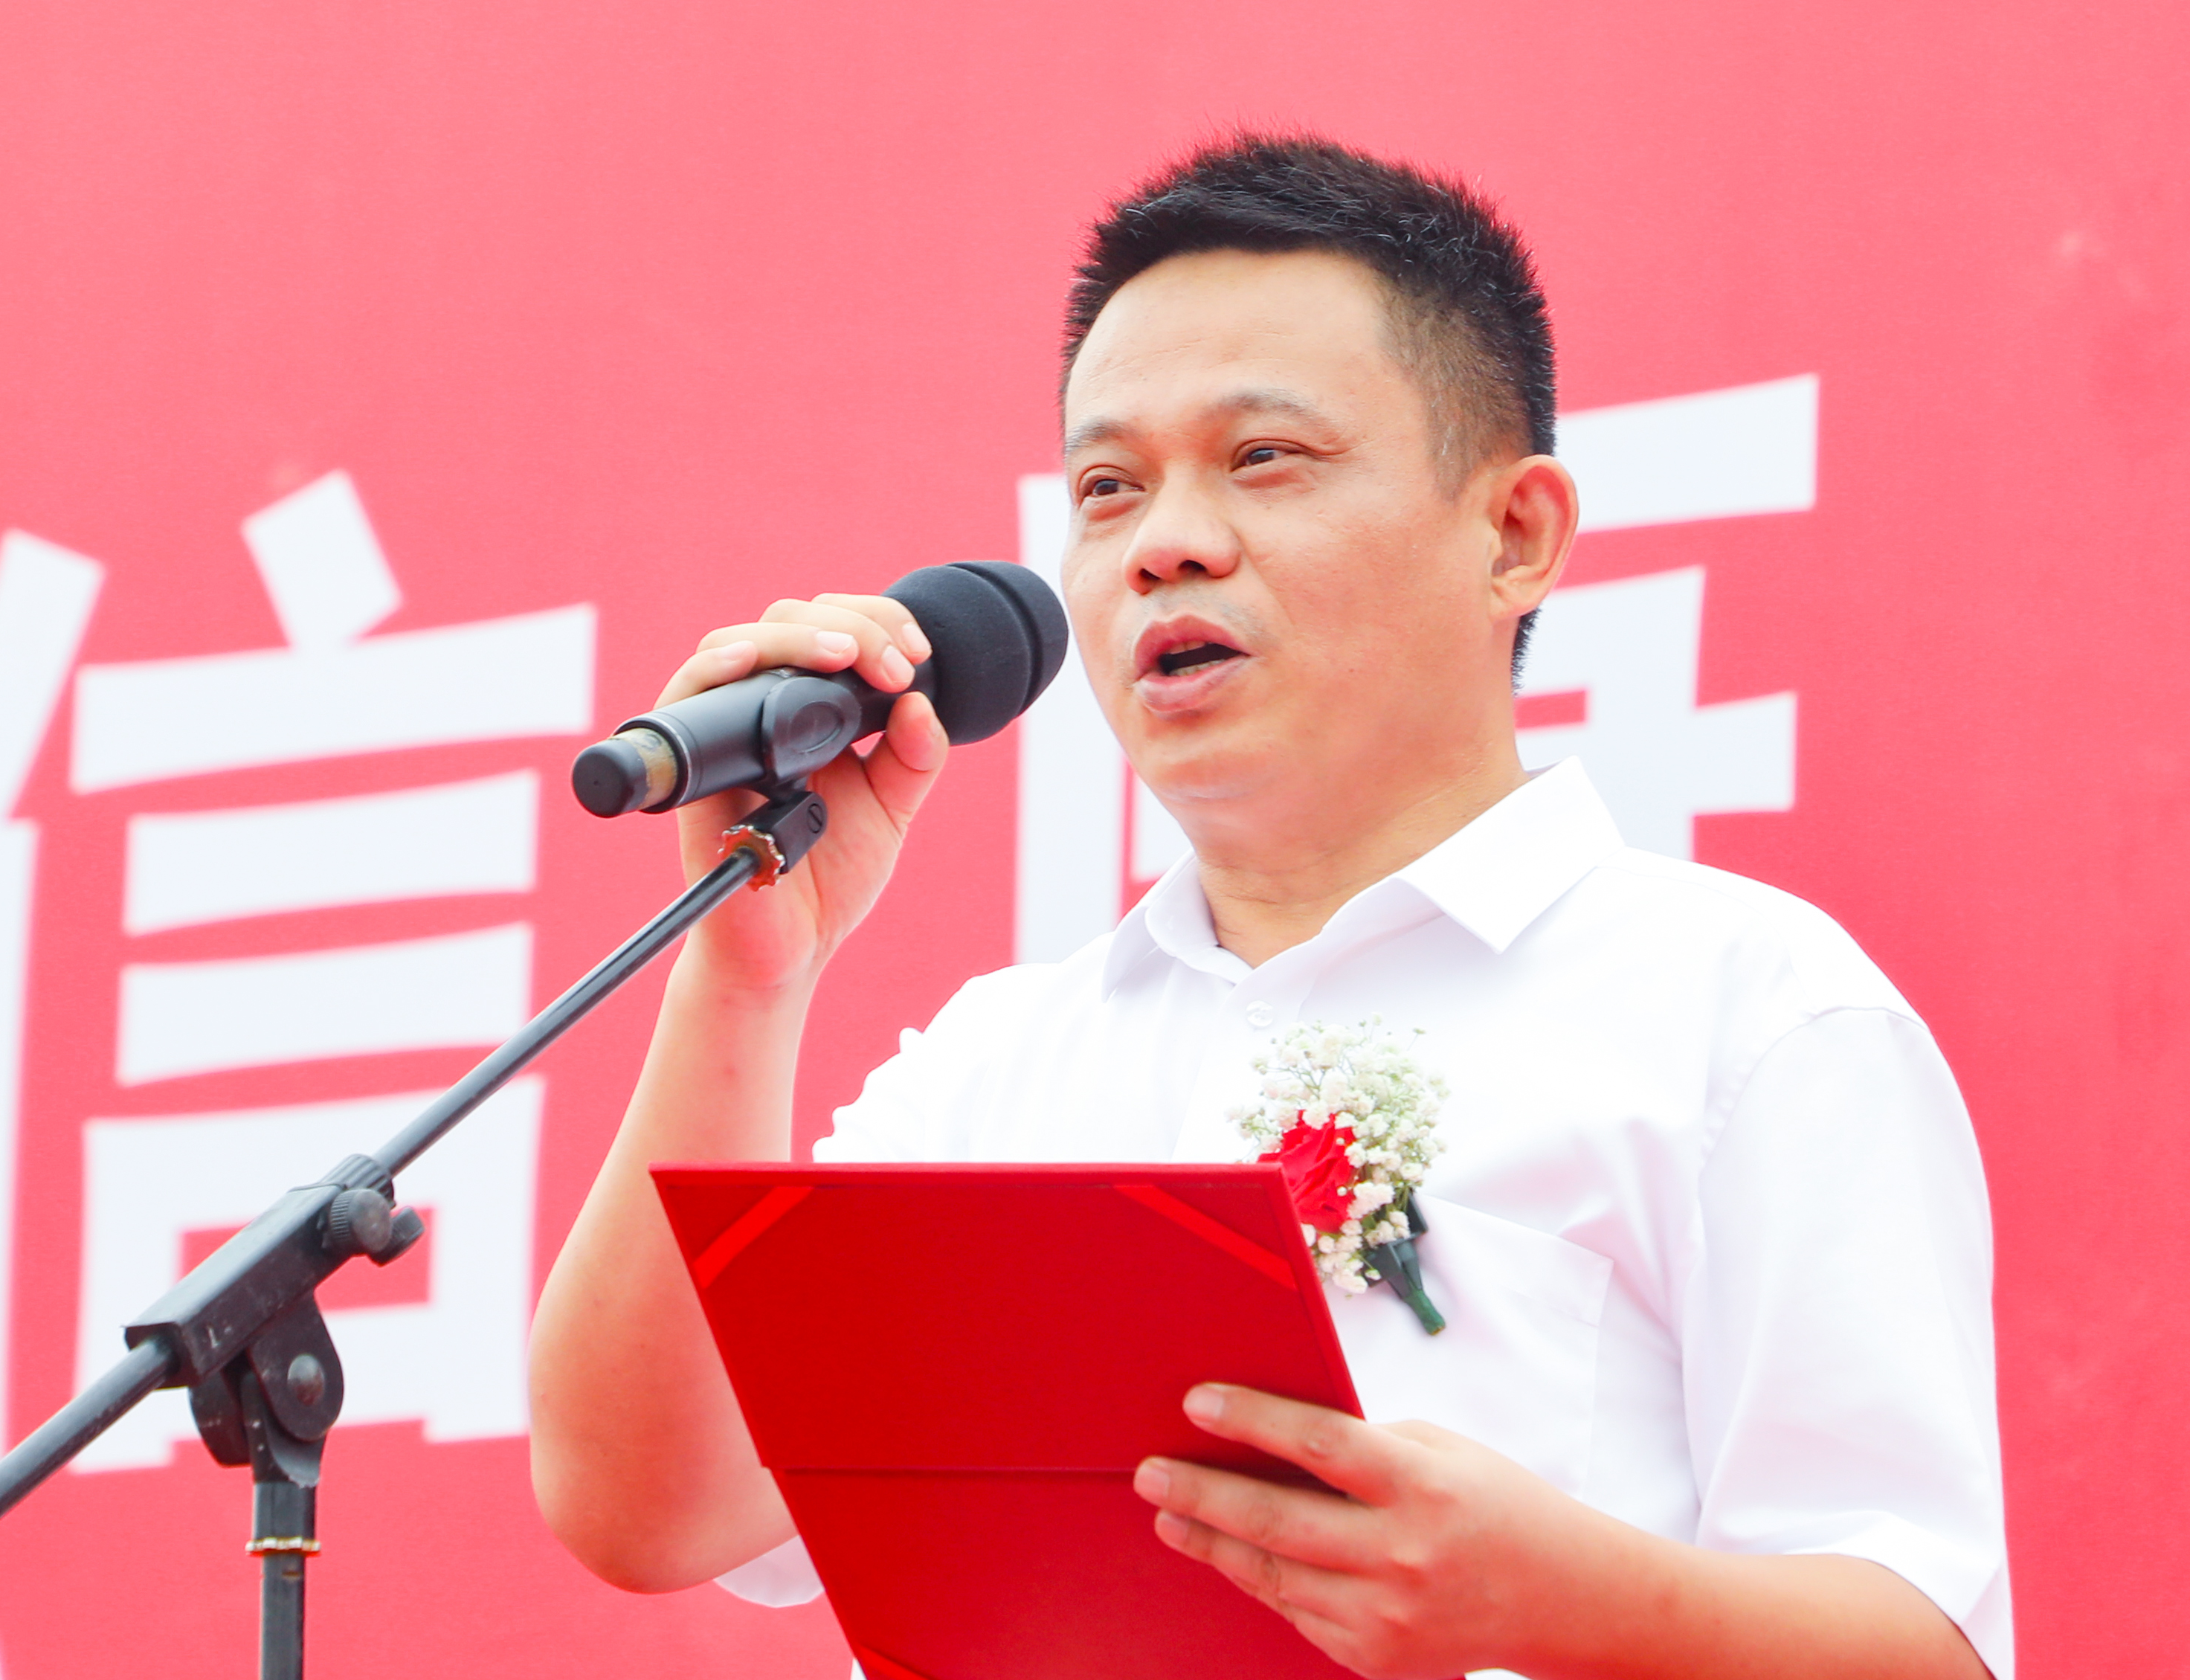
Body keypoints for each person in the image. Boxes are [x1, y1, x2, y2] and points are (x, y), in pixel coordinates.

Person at [528, 136, 2008, 1680]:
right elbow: (650, 1507)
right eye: (1108, 488)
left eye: (1264, 458)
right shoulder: (994, 1068)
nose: (1163, 542)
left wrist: (1554, 1599)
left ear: (1512, 535)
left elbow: (1926, 1646)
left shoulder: (1746, 1011)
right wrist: (747, 967)